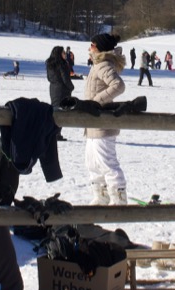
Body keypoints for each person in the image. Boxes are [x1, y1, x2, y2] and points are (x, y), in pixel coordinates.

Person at [83, 33, 128, 205]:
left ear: (100, 48)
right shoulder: (98, 64)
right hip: (93, 124)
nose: (89, 48)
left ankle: (119, 198)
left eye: (92, 45)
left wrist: (96, 102)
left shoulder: (103, 65)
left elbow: (118, 85)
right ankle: (101, 195)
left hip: (102, 123)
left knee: (106, 162)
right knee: (92, 162)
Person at [46, 45, 74, 140]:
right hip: (62, 90)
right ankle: (56, 133)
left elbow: (49, 78)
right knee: (61, 111)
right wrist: (71, 87)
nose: (65, 54)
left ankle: (54, 133)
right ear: (59, 54)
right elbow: (65, 79)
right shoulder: (62, 64)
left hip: (53, 89)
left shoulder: (50, 64)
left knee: (55, 110)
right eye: (63, 52)